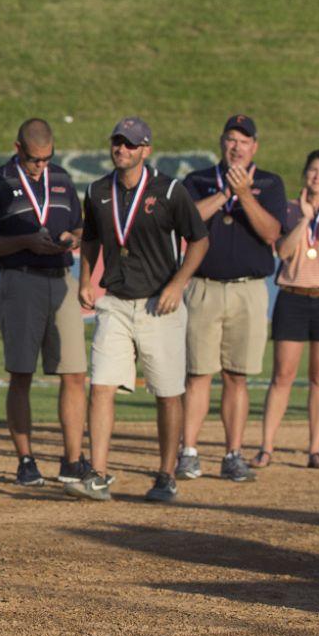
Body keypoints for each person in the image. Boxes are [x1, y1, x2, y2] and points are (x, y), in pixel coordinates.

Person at [73, 117, 209, 503]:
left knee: (167, 393)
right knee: (100, 386)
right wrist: (86, 278)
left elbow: (198, 241)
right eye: (118, 142)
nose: (122, 149)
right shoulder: (99, 190)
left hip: (158, 304)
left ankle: (166, 474)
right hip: (115, 301)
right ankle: (98, 473)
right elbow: (92, 238)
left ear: (146, 149)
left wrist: (177, 284)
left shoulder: (169, 190)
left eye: (131, 144)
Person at [0, 118, 88, 487]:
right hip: (20, 280)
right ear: (18, 148)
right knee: (21, 373)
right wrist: (23, 243)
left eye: (47, 158)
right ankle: (26, 460)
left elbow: (83, 227)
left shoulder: (63, 179)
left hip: (61, 280)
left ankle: (72, 460)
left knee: (74, 373)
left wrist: (72, 237)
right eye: (35, 158)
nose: (41, 165)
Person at [176, 115, 290, 483]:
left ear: (255, 146)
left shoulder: (269, 183)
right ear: (221, 143)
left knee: (237, 376)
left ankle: (233, 453)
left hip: (248, 290)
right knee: (197, 374)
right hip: (203, 286)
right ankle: (188, 452)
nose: (236, 147)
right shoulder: (199, 180)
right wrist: (225, 193)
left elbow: (271, 231)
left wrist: (244, 195)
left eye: (244, 141)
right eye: (230, 139)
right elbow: (187, 220)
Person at [256, 150, 319, 468]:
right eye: (313, 170)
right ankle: (267, 447)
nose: (318, 177)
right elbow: (283, 251)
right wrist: (307, 218)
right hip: (293, 296)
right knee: (282, 375)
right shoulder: (288, 209)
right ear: (304, 174)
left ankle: (315, 448)